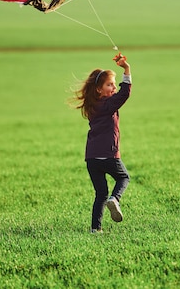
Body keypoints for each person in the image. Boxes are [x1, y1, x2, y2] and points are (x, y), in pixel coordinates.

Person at [74, 53, 132, 233]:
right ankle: (115, 199)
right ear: (99, 89)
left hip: (91, 158)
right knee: (123, 177)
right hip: (109, 154)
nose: (114, 87)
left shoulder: (92, 106)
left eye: (114, 84)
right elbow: (125, 93)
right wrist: (127, 70)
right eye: (109, 84)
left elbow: (118, 94)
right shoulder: (108, 103)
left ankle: (95, 229)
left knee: (100, 194)